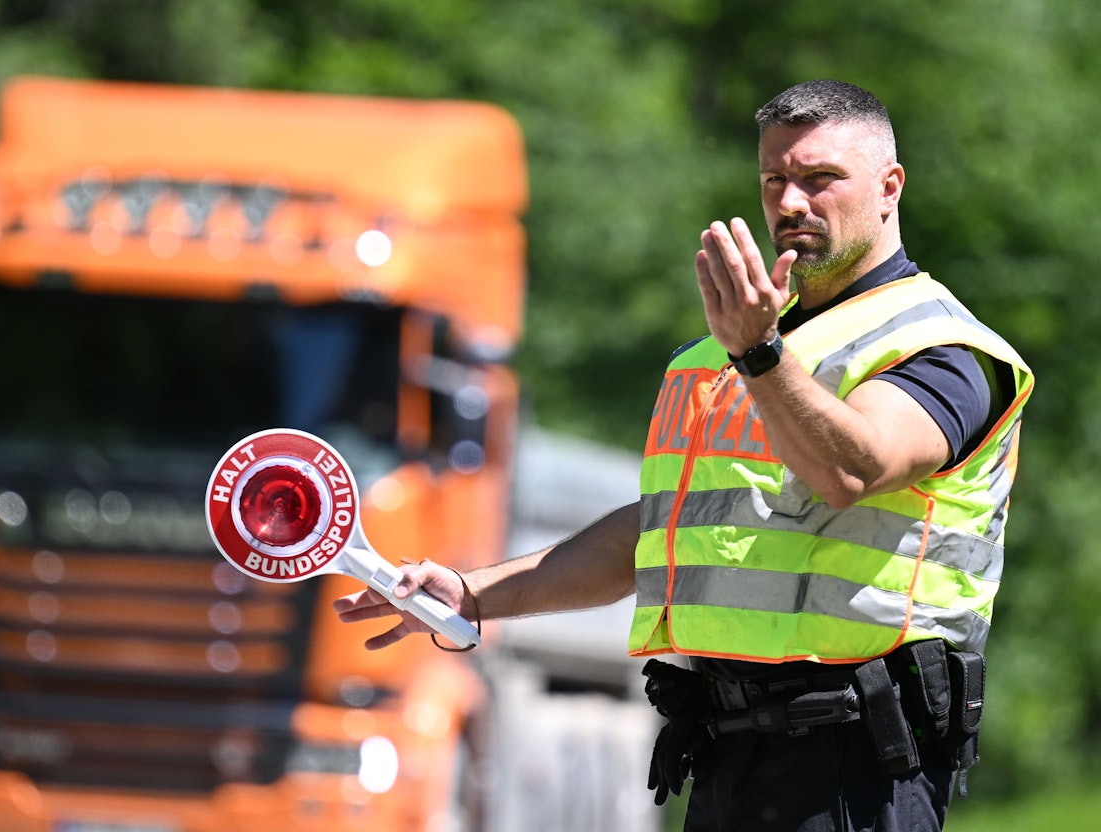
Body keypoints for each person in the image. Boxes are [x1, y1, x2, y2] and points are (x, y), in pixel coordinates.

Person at [334, 79, 1034, 832]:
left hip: (857, 767)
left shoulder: (945, 349)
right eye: (776, 179)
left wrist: (760, 354)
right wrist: (473, 594)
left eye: (821, 178)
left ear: (890, 187)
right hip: (728, 755)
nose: (792, 203)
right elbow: (662, 534)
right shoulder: (722, 354)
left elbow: (853, 470)